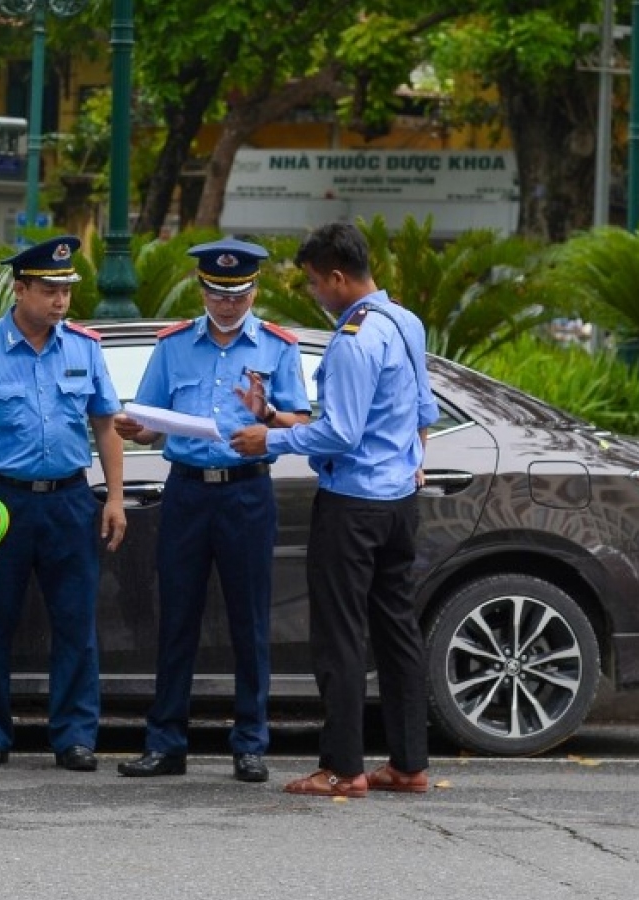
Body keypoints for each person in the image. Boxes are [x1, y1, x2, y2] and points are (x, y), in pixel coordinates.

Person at [229, 221, 439, 798]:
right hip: (398, 502)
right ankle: (408, 764)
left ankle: (343, 767)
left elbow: (340, 434)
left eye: (316, 283)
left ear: (339, 278)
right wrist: (273, 415)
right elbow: (423, 410)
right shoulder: (406, 322)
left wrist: (266, 441)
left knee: (340, 637)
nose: (315, 294)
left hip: (352, 505)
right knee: (398, 633)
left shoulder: (353, 340)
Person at [112, 238, 311, 783]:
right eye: (219, 294)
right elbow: (151, 421)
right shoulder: (174, 345)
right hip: (188, 492)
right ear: (202, 289)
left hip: (248, 492)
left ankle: (250, 743)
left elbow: (301, 422)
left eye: (239, 294)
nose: (229, 304)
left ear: (255, 291)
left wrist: (266, 415)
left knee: (250, 620)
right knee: (176, 617)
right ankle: (166, 742)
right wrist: (137, 430)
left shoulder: (276, 346)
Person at [0, 236, 127, 774]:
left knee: (75, 622)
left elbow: (107, 426)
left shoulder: (84, 348)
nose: (60, 301)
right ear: (19, 288)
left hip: (70, 500)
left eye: (66, 290)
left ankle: (74, 736)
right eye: (49, 290)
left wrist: (114, 497)